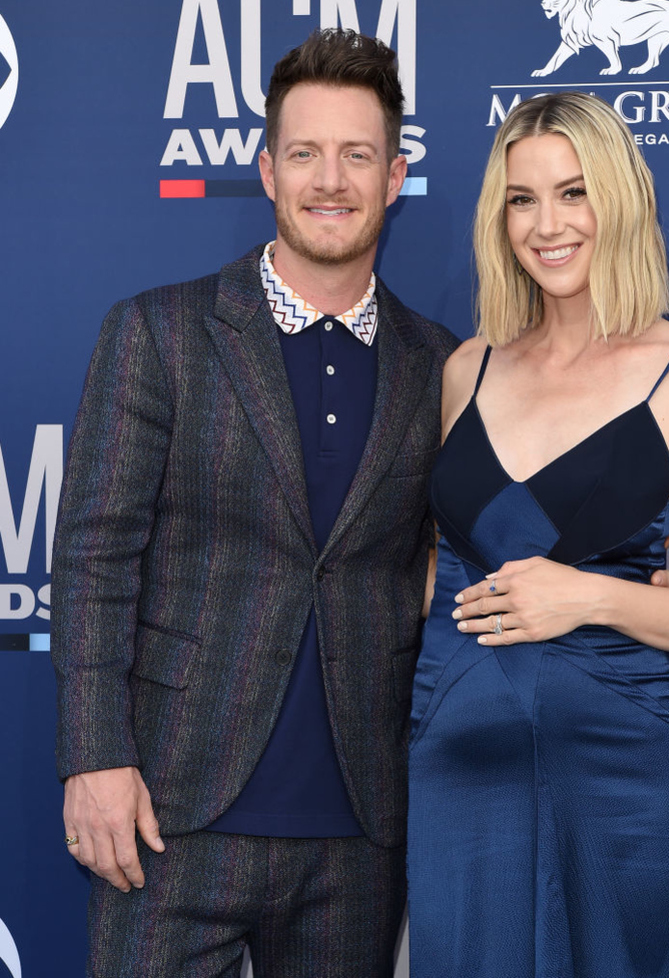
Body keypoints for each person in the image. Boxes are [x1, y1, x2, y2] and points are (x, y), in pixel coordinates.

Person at [50, 29, 458, 978]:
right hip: (166, 810)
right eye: (306, 153)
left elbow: (468, 544)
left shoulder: (440, 364)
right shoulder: (159, 332)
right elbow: (93, 560)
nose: (331, 180)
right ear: (267, 170)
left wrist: (604, 564)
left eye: (358, 154)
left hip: (359, 832)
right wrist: (92, 758)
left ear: (394, 178)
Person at [407, 91, 669, 978]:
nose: (548, 225)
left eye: (574, 193)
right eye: (522, 199)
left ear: (621, 200)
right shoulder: (468, 367)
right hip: (458, 763)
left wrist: (590, 597)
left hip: (622, 771)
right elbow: (432, 572)